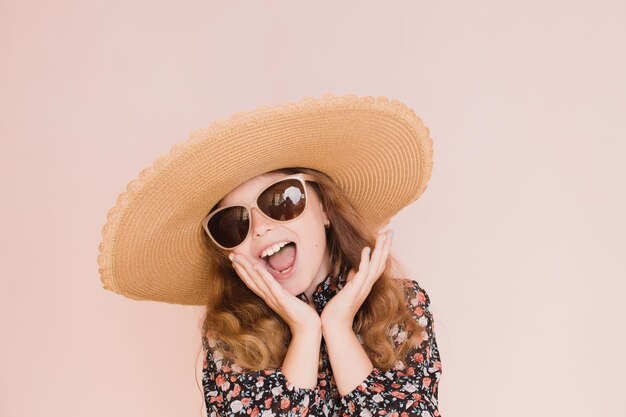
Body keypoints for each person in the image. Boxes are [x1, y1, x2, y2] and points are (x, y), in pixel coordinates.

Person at [97, 94, 443, 417]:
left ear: (323, 207)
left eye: (280, 199)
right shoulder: (229, 337)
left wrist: (337, 326)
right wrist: (305, 330)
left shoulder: (400, 305)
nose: (260, 228)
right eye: (233, 223)